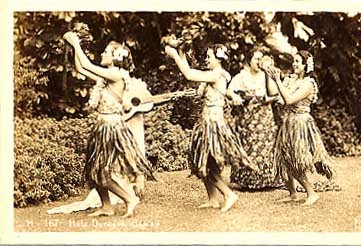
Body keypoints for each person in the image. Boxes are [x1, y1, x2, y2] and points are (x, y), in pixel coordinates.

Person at [60, 32, 156, 217]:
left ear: (115, 57)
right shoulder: (105, 78)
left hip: (111, 128)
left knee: (102, 170)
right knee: (93, 170)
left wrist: (76, 43)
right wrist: (74, 47)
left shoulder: (116, 75)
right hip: (101, 127)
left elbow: (87, 64)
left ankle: (130, 199)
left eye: (105, 52)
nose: (102, 54)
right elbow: (81, 68)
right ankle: (106, 206)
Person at [164, 43, 258, 212]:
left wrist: (175, 56)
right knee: (204, 161)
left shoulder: (216, 75)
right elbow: (198, 89)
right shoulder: (213, 76)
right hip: (205, 120)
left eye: (209, 57)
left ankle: (229, 195)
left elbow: (189, 74)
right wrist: (183, 53)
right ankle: (213, 199)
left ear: (219, 59)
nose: (206, 59)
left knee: (207, 163)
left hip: (213, 123)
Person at [267, 50, 335, 206]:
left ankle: (311, 193)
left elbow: (289, 100)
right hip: (288, 122)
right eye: (294, 61)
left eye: (298, 61)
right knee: (283, 157)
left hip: (300, 124)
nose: (294, 64)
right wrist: (269, 75)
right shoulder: (291, 79)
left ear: (306, 65)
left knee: (296, 159)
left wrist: (278, 81)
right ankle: (293, 193)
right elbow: (272, 92)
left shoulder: (308, 83)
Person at [226, 48, 283, 190]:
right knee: (247, 145)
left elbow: (275, 94)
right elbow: (228, 90)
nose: (259, 62)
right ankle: (245, 180)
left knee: (265, 146)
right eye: (256, 59)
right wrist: (235, 97)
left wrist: (265, 98)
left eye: (261, 59)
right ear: (249, 60)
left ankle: (266, 180)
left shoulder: (266, 76)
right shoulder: (241, 76)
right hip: (247, 116)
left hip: (264, 116)